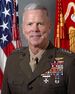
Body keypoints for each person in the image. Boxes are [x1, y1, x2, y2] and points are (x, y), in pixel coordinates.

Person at [1, 2, 75, 94]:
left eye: (40, 23)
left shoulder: (69, 62)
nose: (35, 29)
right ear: (23, 29)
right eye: (30, 24)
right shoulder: (12, 60)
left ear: (49, 27)